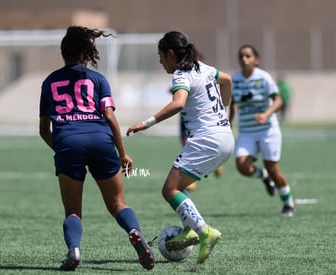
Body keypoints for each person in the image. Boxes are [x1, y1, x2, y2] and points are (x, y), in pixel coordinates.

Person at [39, 26, 154, 271]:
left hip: (68, 142)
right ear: (85, 53)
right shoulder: (98, 79)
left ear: (63, 53)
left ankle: (75, 250)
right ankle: (134, 232)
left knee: (72, 211)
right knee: (118, 204)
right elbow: (110, 118)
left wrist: (61, 148)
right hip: (101, 139)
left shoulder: (49, 82)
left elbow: (43, 130)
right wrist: (122, 153)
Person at [127, 31, 234, 264]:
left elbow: (178, 103)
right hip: (225, 137)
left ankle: (204, 232)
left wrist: (146, 123)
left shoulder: (181, 73)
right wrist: (221, 109)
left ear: (171, 54)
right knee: (178, 187)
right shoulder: (203, 68)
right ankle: (190, 228)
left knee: (169, 190)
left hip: (207, 139)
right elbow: (227, 80)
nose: (160, 61)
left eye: (160, 56)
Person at [229, 45, 295, 217]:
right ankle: (264, 176)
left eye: (248, 56)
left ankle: (288, 203)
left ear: (256, 60)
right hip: (246, 131)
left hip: (267, 130)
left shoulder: (264, 78)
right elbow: (234, 102)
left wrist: (266, 114)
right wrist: (228, 122)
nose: (245, 59)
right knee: (242, 166)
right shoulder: (234, 79)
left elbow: (278, 100)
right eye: (241, 56)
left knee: (273, 169)